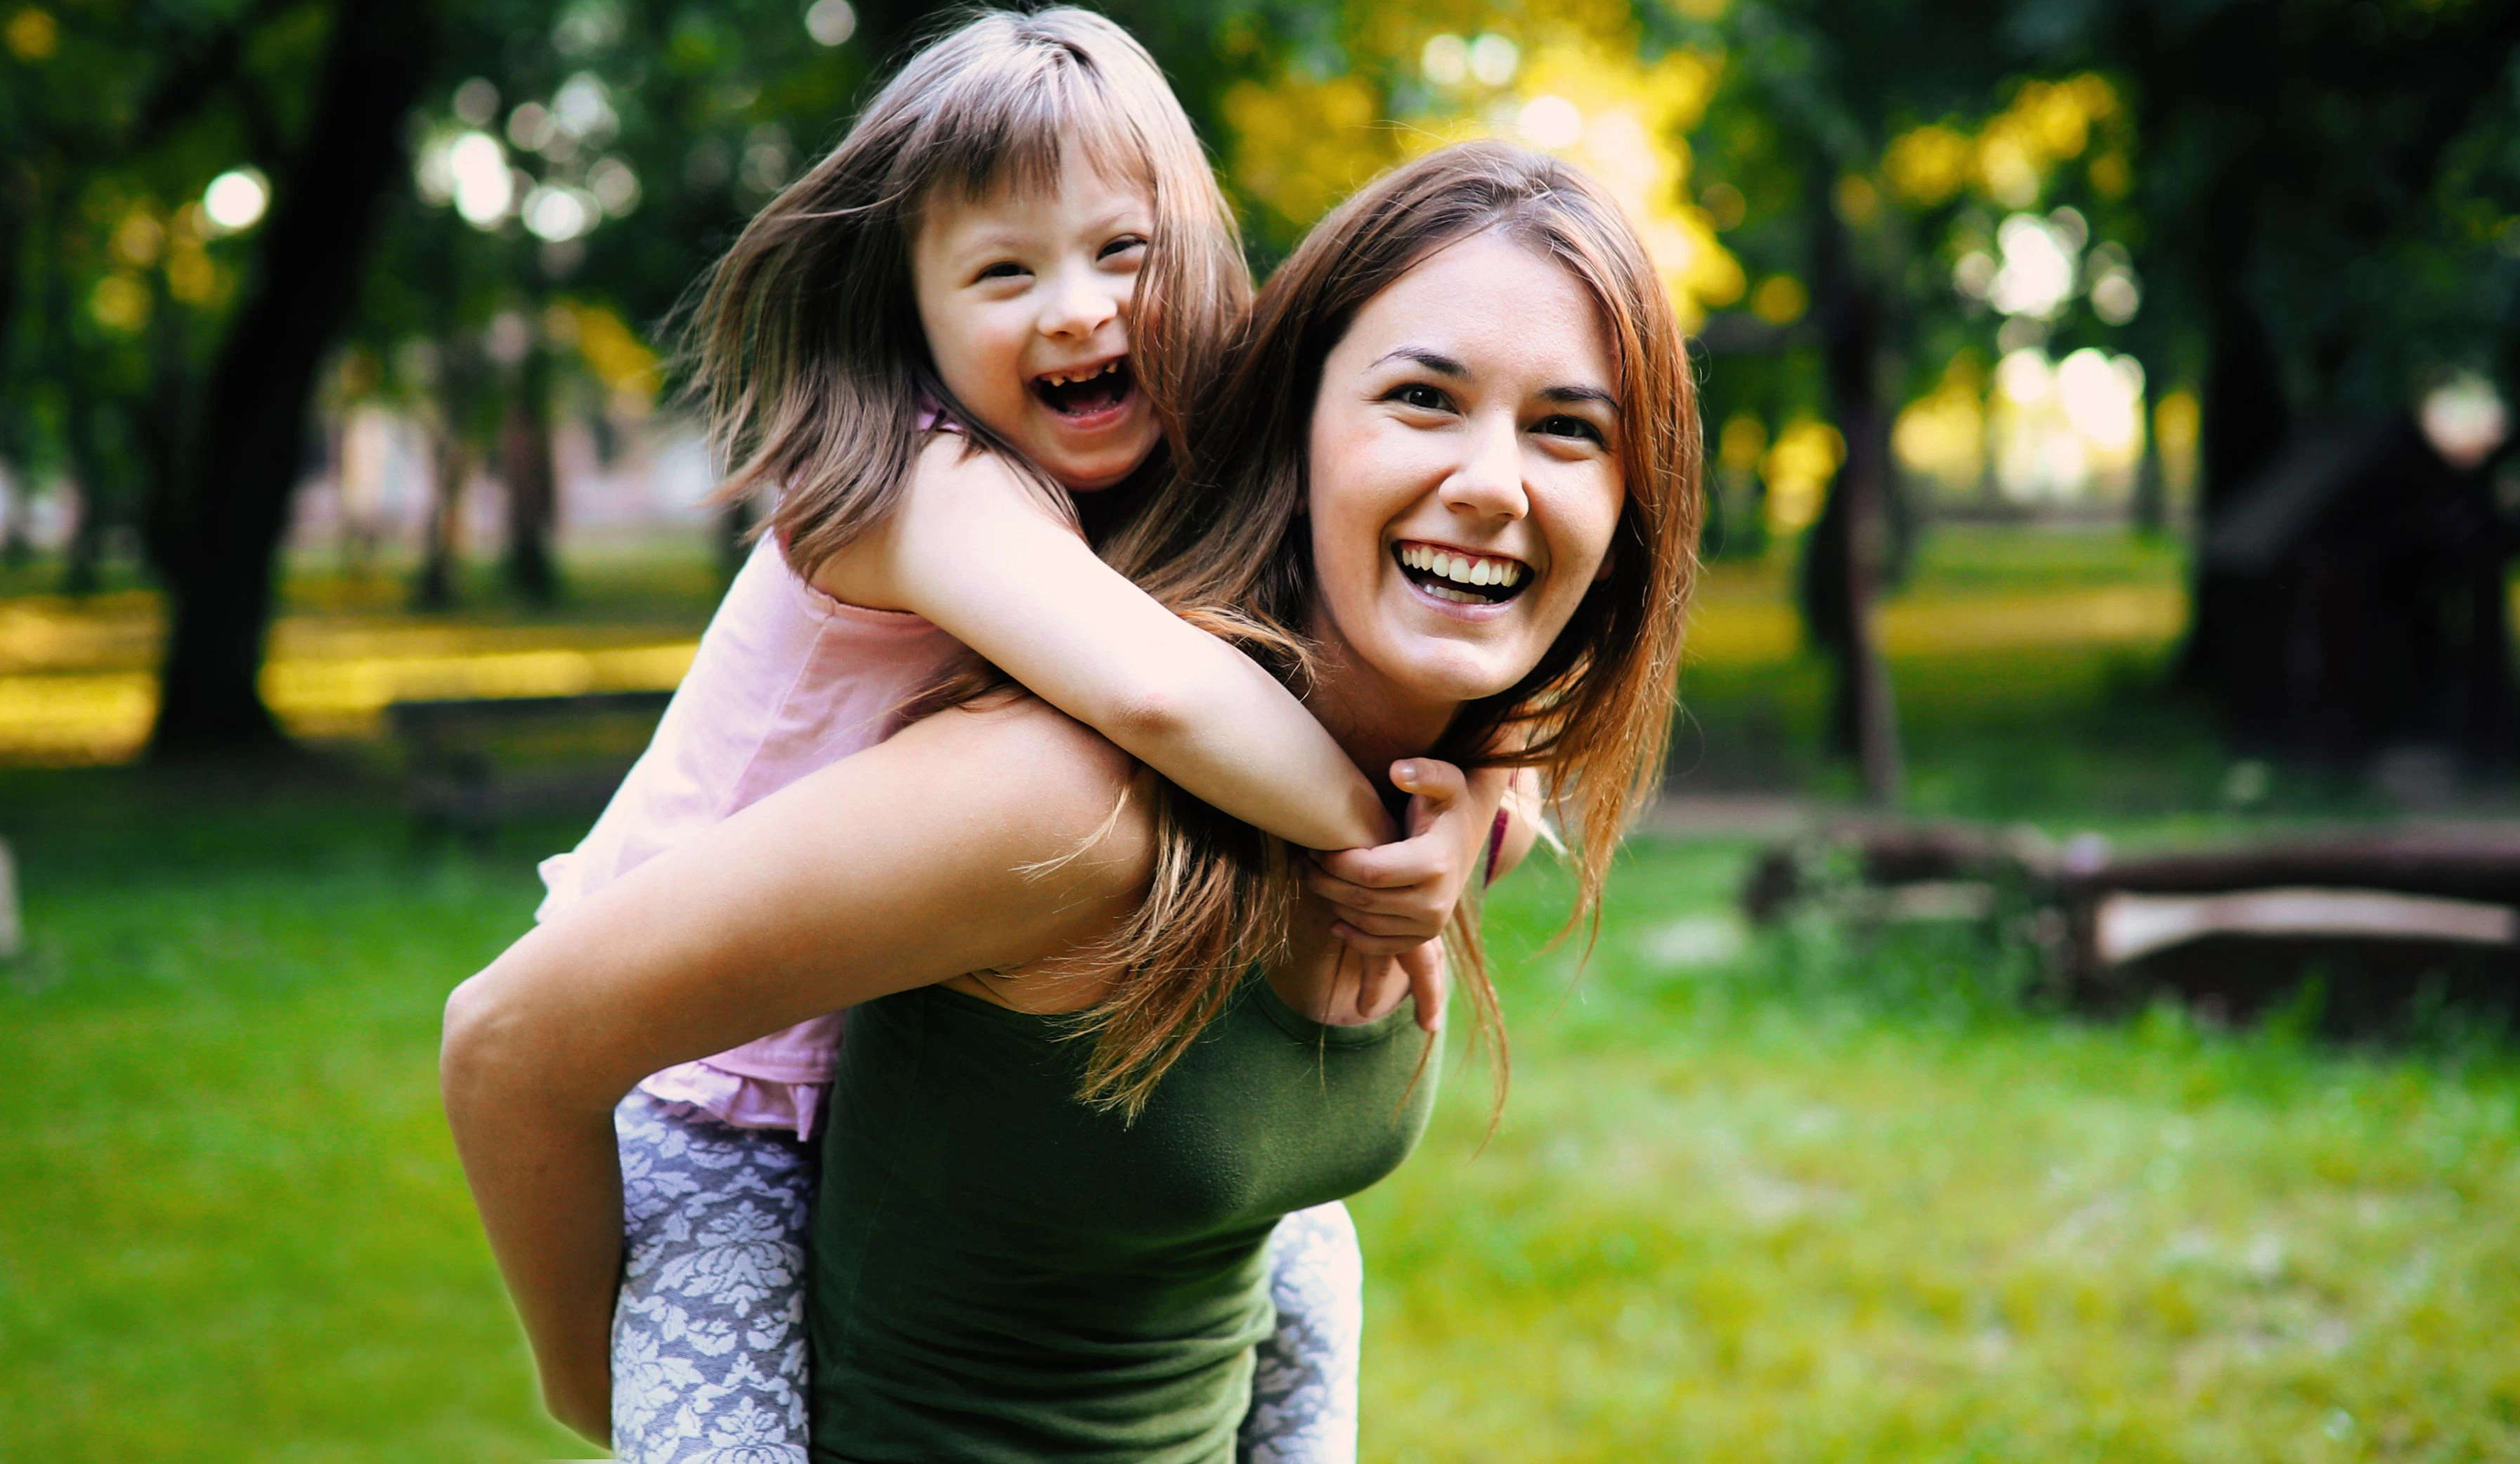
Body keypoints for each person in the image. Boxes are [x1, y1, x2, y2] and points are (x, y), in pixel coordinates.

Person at [443, 138, 1701, 1462]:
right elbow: (512, 1045)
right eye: (1422, 399)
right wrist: (596, 1380)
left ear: (1631, 503)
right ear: (1294, 420)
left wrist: (1472, 808)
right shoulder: (1068, 807)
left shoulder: (1446, 805)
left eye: (1569, 427)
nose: (1496, 483)